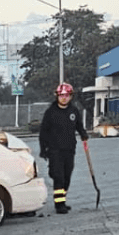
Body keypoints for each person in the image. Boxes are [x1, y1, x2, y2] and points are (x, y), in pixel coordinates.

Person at [38, 82, 88, 214]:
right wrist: (43, 149)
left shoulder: (73, 111)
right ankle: (59, 205)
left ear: (71, 96)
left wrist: (83, 134)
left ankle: (62, 200)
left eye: (66, 95)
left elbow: (79, 126)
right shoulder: (51, 113)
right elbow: (43, 132)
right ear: (57, 96)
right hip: (55, 151)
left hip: (69, 150)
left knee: (67, 177)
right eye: (61, 95)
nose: (64, 98)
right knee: (58, 177)